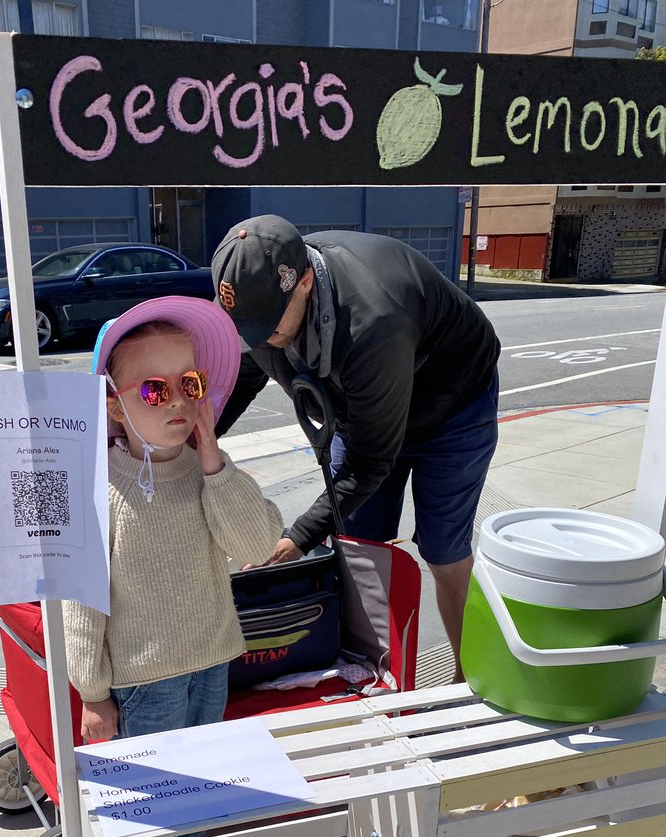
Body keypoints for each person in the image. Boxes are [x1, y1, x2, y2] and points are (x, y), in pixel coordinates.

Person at [211, 214, 501, 679]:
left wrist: (298, 538)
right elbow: (242, 375)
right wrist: (196, 440)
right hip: (365, 404)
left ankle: (469, 676)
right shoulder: (254, 297)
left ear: (304, 281)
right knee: (359, 548)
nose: (258, 337)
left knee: (444, 551)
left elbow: (369, 464)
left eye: (266, 324)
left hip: (452, 409)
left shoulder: (374, 319)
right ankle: (371, 666)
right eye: (246, 326)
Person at [63, 295, 283, 745]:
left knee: (203, 778)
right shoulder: (99, 488)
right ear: (115, 407)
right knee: (159, 792)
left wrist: (213, 461)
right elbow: (82, 600)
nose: (176, 402)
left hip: (214, 662)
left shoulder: (210, 472)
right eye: (154, 390)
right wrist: (92, 692)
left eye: (190, 383)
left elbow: (257, 547)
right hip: (144, 681)